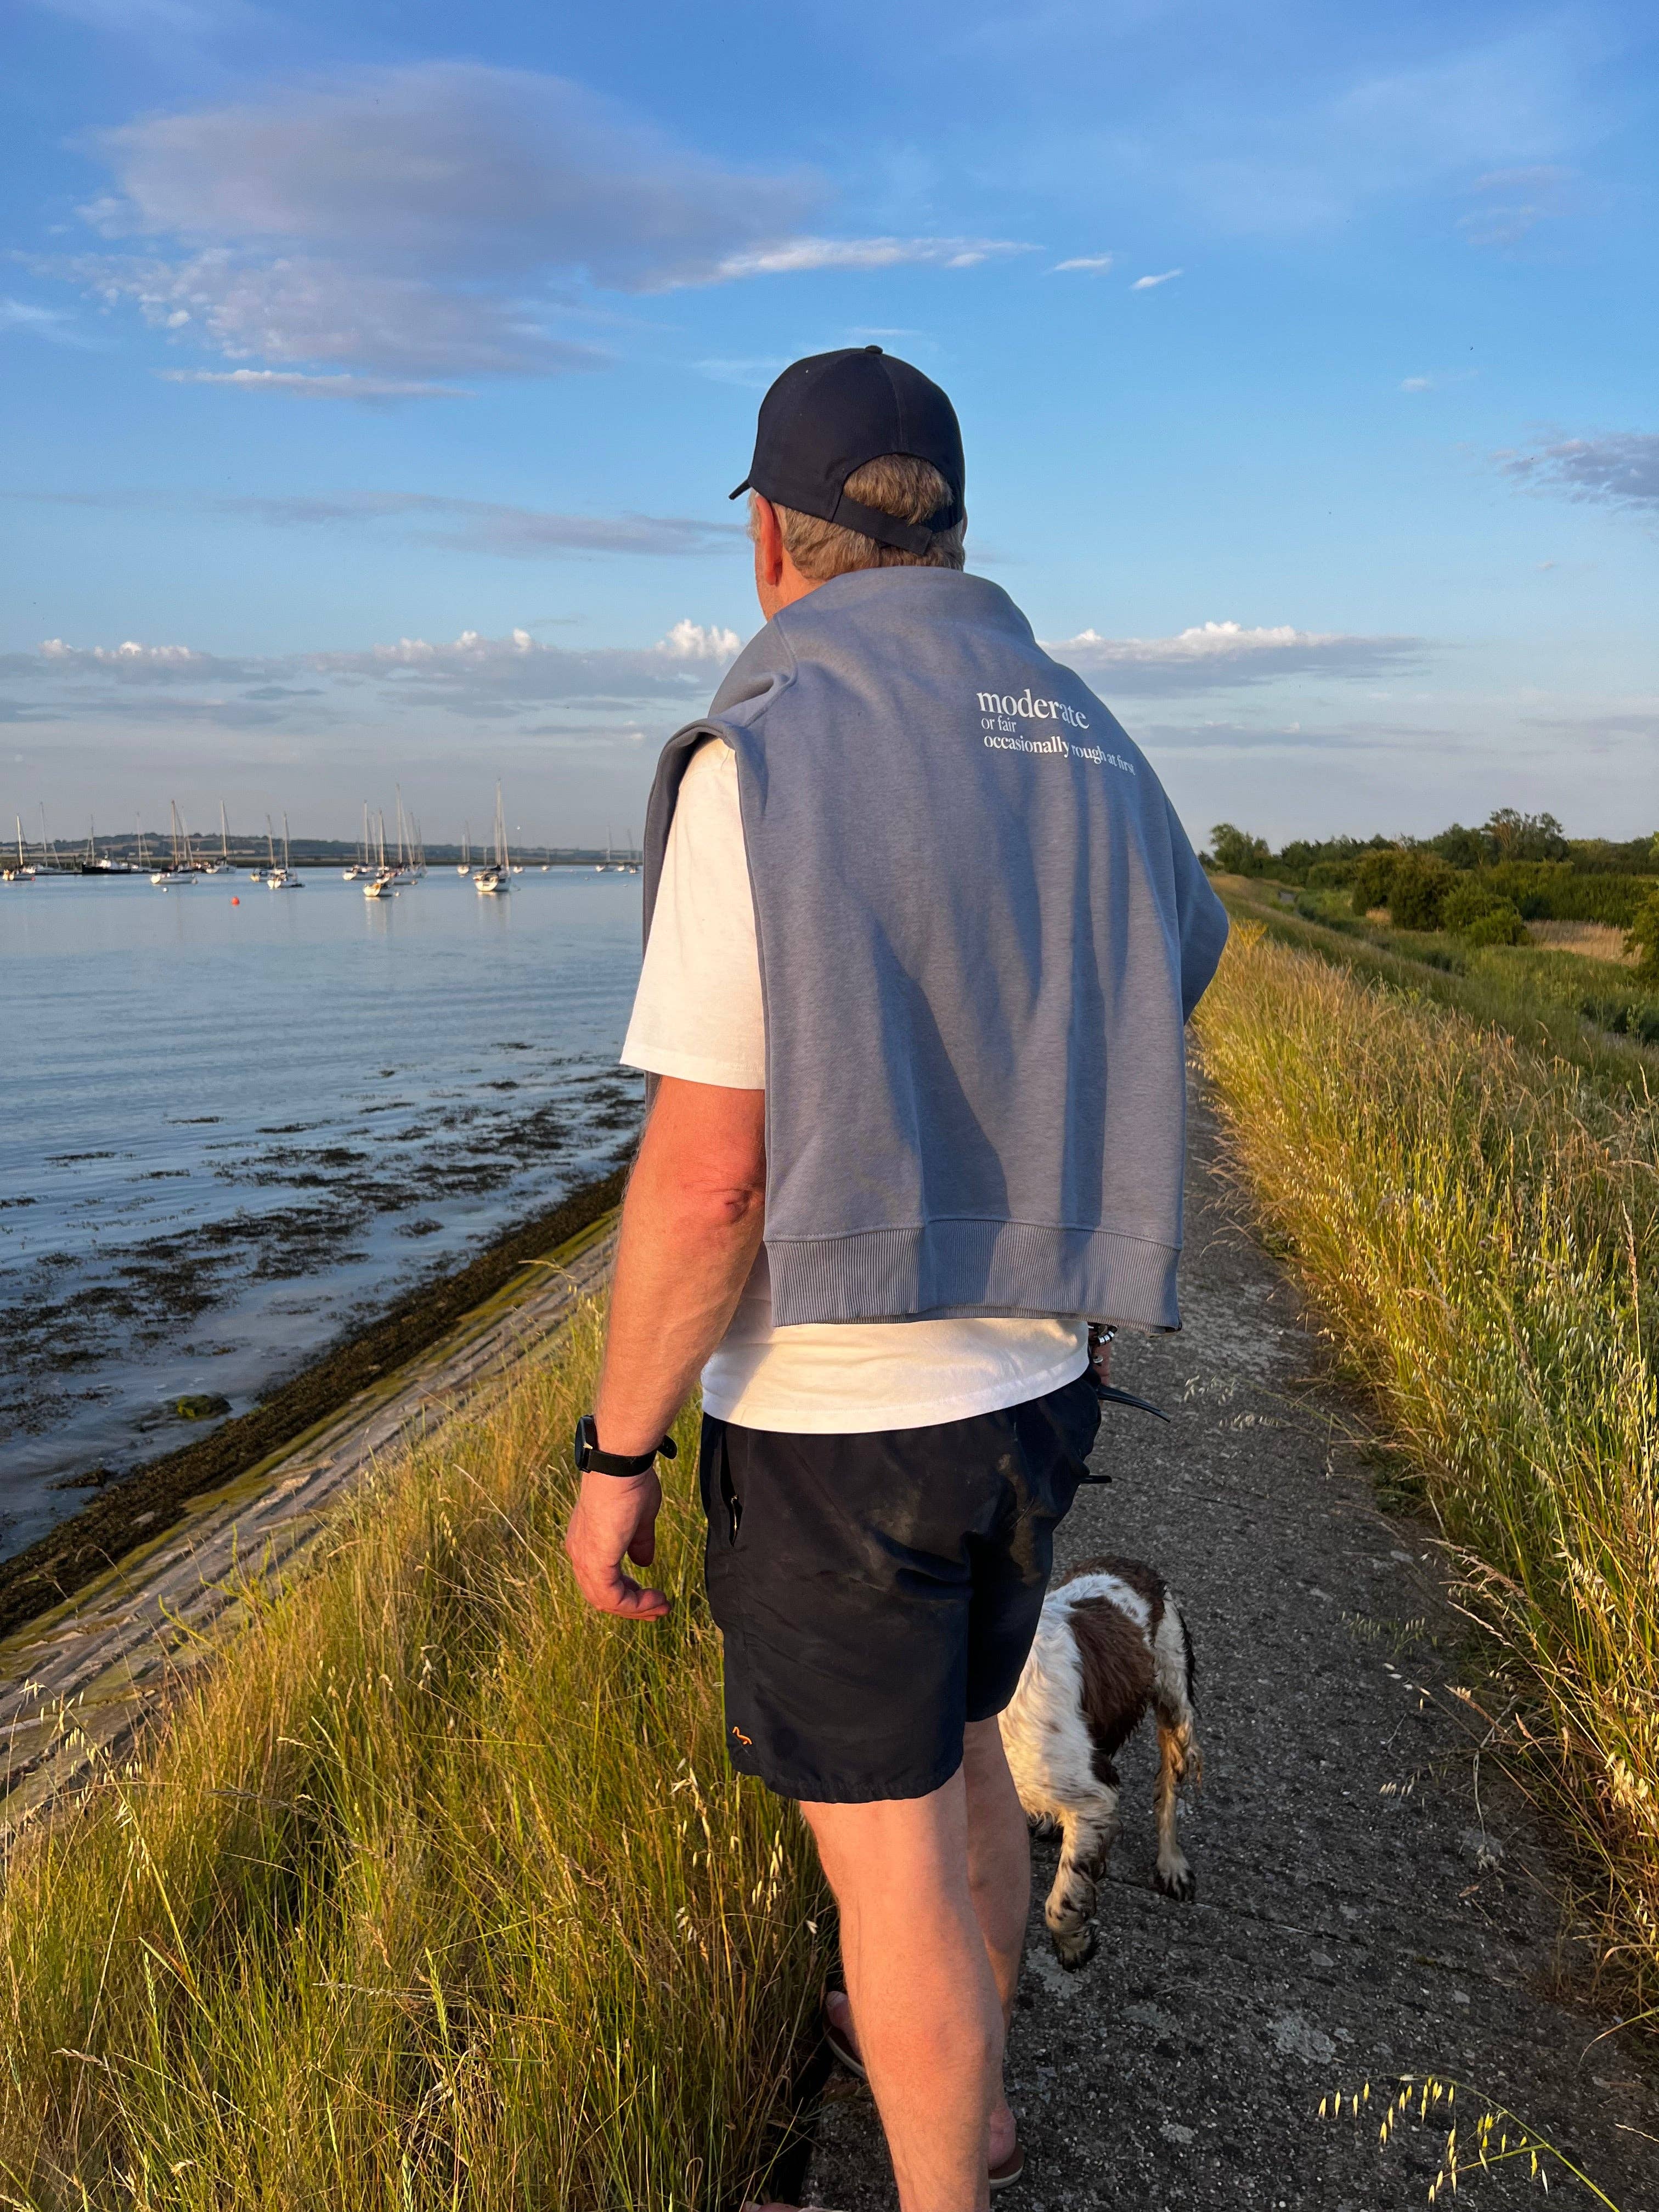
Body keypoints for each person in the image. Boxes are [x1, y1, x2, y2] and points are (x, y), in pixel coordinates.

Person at [564, 347, 1228, 2212]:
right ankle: (976, 2089)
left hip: (838, 1418)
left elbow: (712, 1179)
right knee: (958, 1779)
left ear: (772, 541)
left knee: (890, 1872)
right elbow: (1177, 961)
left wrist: (615, 1459)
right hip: (1037, 1389)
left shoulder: (766, 753)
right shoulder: (1090, 736)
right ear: (949, 528)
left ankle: (948, 2158)